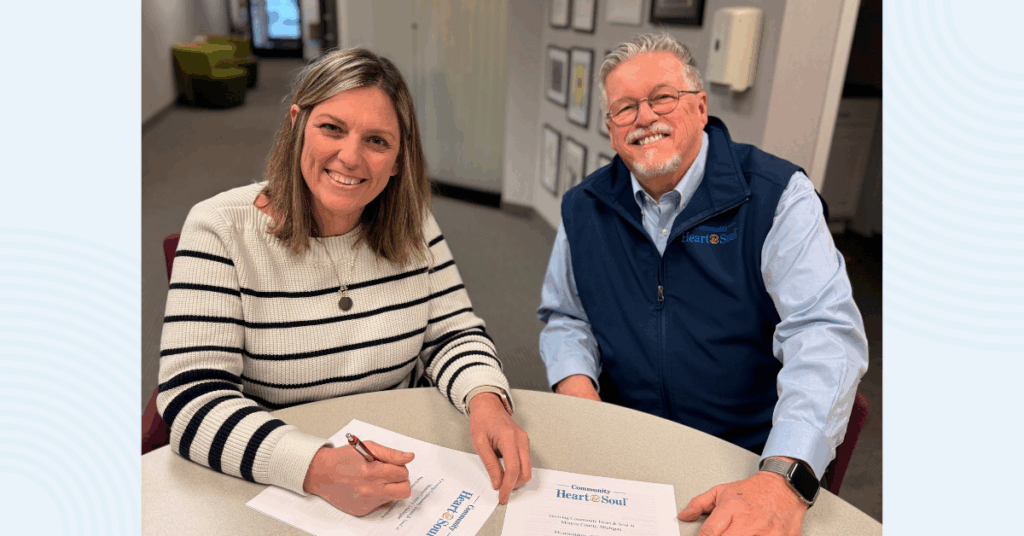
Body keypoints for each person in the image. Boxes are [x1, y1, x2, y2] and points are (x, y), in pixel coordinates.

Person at [158, 47, 530, 517]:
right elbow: (191, 400)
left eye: (377, 141)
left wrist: (486, 399)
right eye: (331, 128)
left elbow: (452, 335)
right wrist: (317, 468)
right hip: (276, 481)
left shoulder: (414, 223)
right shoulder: (220, 229)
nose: (350, 157)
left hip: (402, 469)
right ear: (296, 125)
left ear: (398, 159)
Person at [538, 34, 868, 535]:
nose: (644, 117)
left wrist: (783, 475)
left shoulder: (778, 197)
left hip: (745, 455)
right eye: (624, 108)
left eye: (662, 97)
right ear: (610, 131)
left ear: (699, 105)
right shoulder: (583, 208)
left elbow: (823, 334)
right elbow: (566, 315)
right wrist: (577, 388)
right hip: (626, 445)